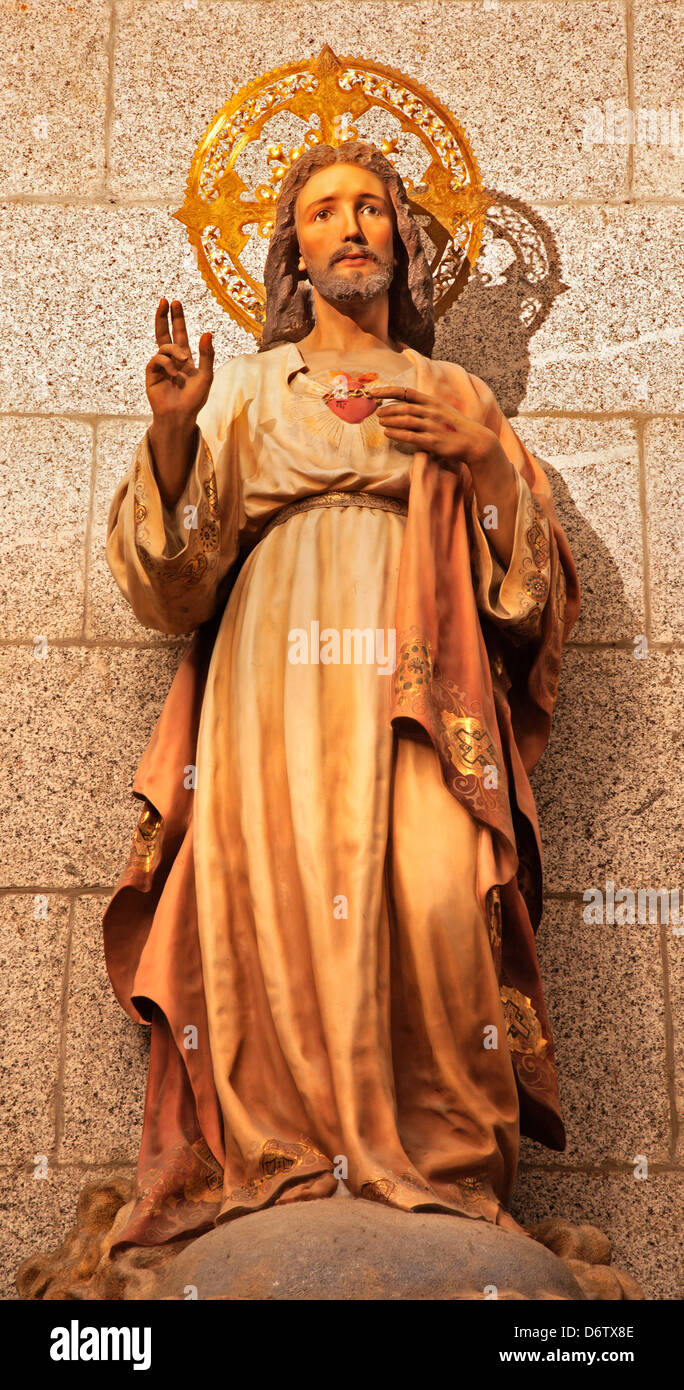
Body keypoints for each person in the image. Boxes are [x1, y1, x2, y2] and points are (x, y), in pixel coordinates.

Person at [104, 141, 579, 1250]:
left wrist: (491, 466)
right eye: (326, 212)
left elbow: (529, 603)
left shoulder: (455, 392)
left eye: (374, 207)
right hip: (273, 678)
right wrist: (176, 437)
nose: (354, 225)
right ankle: (281, 1158)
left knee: (432, 892)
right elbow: (172, 587)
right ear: (296, 248)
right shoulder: (246, 391)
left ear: (403, 244)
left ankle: (442, 1164)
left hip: (423, 686)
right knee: (270, 901)